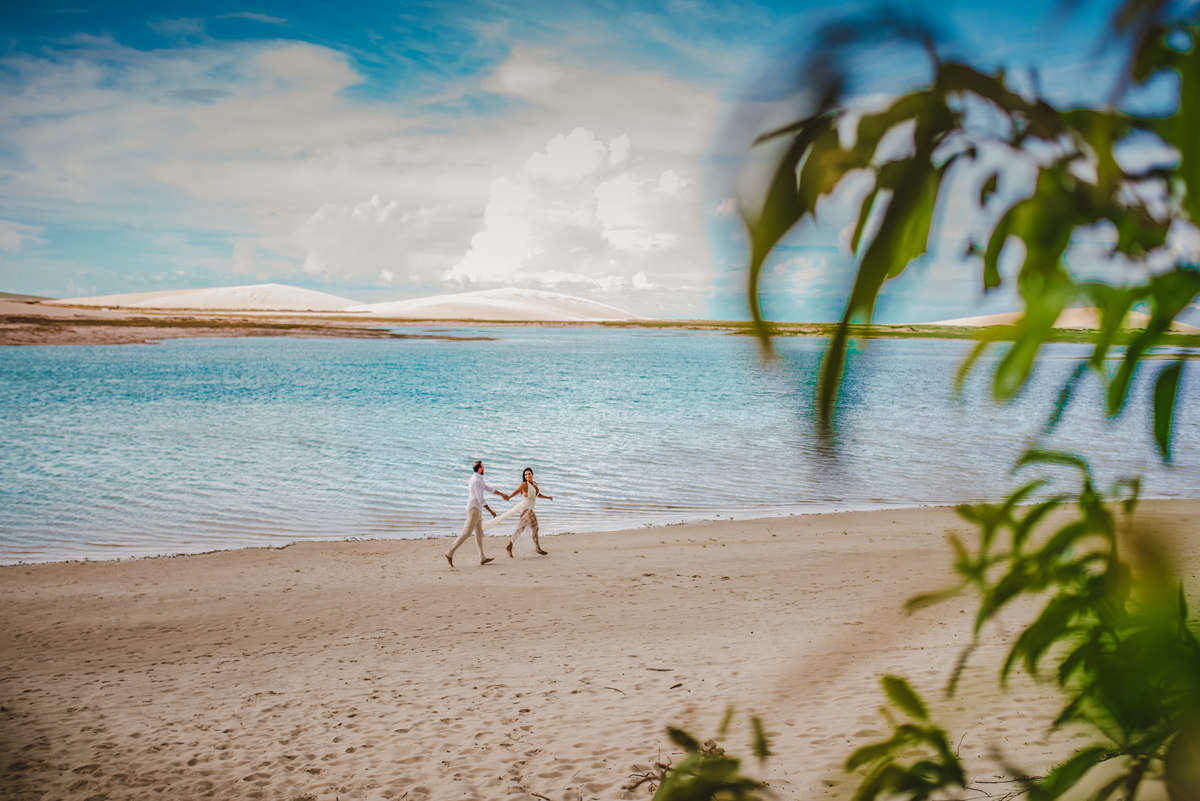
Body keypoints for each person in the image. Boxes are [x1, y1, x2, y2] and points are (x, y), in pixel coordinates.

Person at [445, 461, 509, 567]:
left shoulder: (478, 479)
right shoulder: (476, 481)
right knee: (466, 533)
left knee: (479, 534)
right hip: (473, 510)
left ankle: (482, 558)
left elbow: (490, 489)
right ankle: (449, 552)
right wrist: (491, 511)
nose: (484, 469)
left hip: (477, 510)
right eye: (483, 467)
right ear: (479, 469)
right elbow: (480, 499)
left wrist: (502, 494)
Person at [501, 467, 552, 557]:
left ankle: (509, 546)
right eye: (526, 474)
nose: (527, 476)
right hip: (525, 508)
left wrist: (547, 497)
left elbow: (538, 494)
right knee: (535, 528)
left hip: (530, 508)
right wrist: (509, 497)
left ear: (532, 474)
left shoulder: (535, 484)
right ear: (524, 476)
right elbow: (517, 491)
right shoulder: (525, 484)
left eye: (529, 474)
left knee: (521, 529)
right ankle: (537, 548)